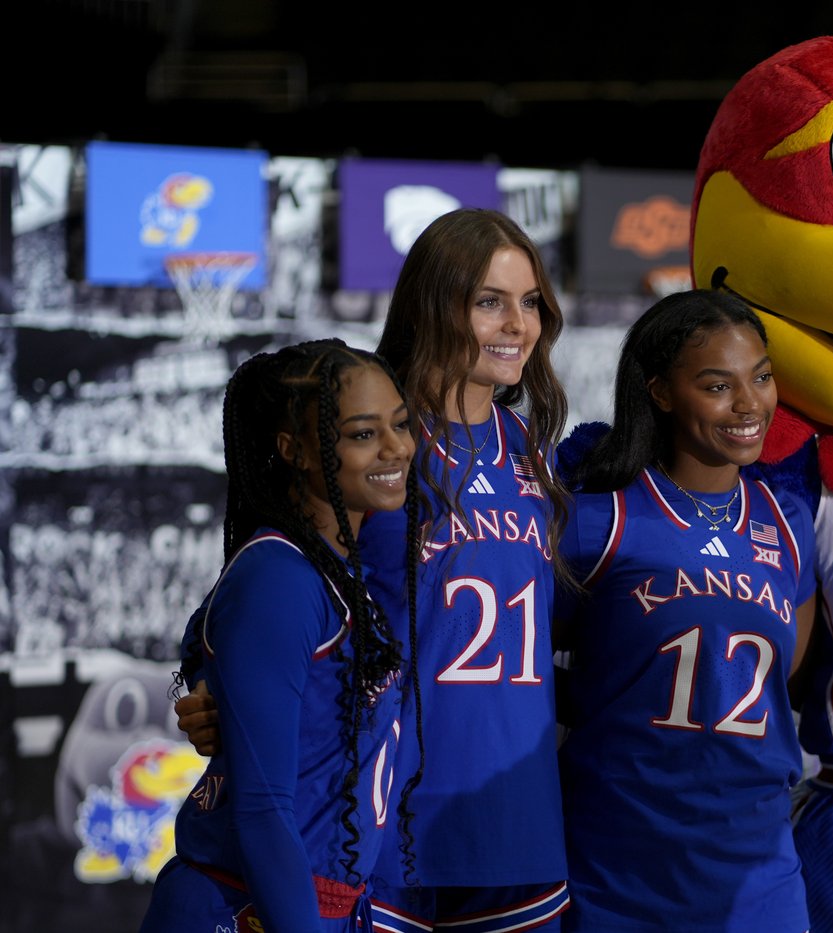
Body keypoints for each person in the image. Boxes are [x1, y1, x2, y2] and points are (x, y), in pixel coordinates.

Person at [176, 209, 576, 931]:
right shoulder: (374, 447)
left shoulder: (533, 451)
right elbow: (252, 595)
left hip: (515, 828)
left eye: (530, 302)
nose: (517, 323)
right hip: (387, 832)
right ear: (435, 303)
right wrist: (211, 689)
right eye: (489, 301)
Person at [554, 288, 817, 932]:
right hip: (621, 866)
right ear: (661, 393)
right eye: (717, 385)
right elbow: (526, 668)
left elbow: (782, 679)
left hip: (758, 868)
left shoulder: (789, 525)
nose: (749, 403)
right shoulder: (600, 518)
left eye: (760, 377)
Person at [142, 339, 418, 932]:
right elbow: (264, 813)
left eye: (400, 424)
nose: (398, 447)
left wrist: (202, 688)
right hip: (247, 908)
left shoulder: (332, 565)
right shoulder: (280, 576)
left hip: (310, 905)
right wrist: (197, 690)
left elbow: (199, 635)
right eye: (363, 434)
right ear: (295, 450)